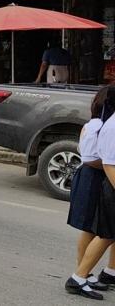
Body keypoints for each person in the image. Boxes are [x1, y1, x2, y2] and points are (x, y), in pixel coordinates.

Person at [64, 87, 115, 299]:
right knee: (96, 229)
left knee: (100, 230)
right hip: (95, 177)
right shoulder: (103, 126)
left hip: (98, 176)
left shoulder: (98, 124)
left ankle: (100, 273)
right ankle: (81, 274)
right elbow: (103, 161)